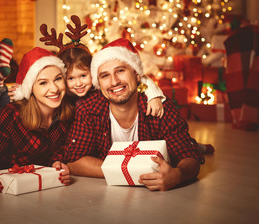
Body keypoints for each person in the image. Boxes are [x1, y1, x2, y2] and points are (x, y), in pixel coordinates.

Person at [63, 38, 205, 191]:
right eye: (105, 76)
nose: (114, 81)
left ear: (137, 75)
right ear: (98, 83)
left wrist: (177, 175)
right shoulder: (88, 108)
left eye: (120, 71)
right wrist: (127, 171)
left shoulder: (160, 107)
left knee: (192, 145)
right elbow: (74, 160)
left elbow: (189, 155)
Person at [0, 40, 72, 192]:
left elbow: (56, 151)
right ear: (30, 88)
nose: (54, 88)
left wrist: (57, 163)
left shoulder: (66, 113)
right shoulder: (12, 114)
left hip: (15, 119)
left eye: (58, 79)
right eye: (43, 83)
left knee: (11, 107)